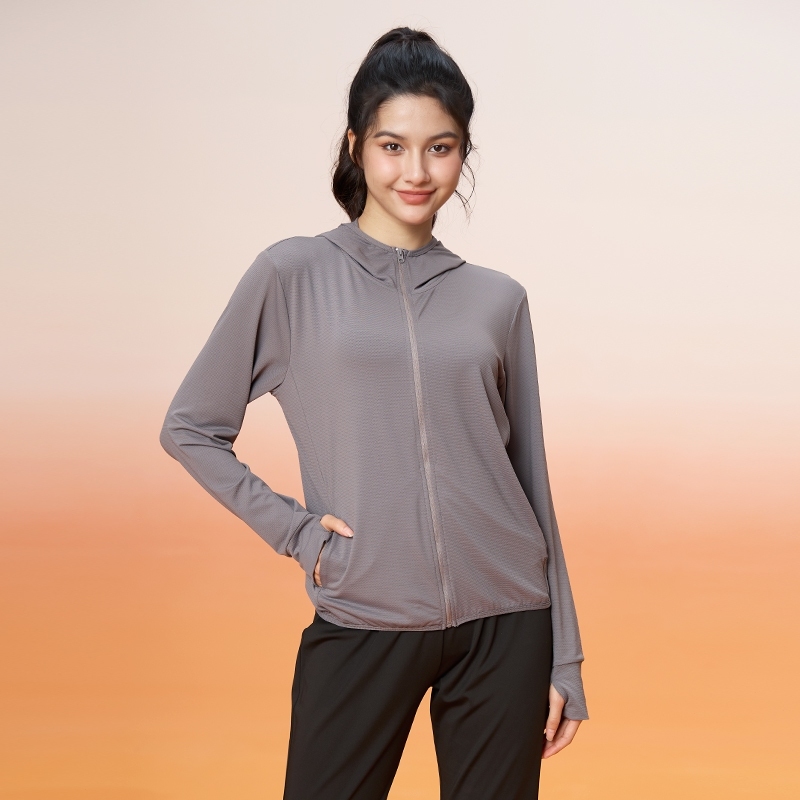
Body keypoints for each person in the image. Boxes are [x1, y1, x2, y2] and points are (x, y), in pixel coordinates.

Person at [159, 26, 588, 800]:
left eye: (440, 148)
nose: (416, 171)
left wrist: (565, 657)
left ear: (463, 153)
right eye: (393, 146)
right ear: (356, 146)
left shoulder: (498, 299)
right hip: (364, 608)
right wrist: (298, 534)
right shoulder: (291, 276)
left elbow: (532, 480)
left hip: (508, 619)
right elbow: (190, 428)